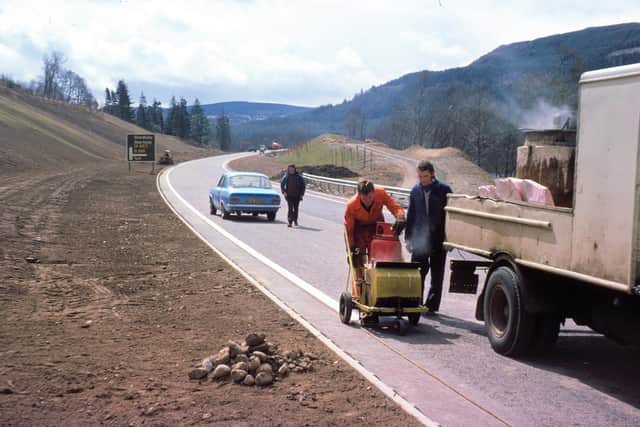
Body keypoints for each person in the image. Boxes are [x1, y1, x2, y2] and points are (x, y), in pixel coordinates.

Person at [405, 160, 452, 314]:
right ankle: (415, 303)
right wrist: (408, 238)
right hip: (419, 238)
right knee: (417, 273)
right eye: (420, 176)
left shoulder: (444, 190)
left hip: (438, 238)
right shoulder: (415, 190)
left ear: (432, 174)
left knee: (437, 275)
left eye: (425, 176)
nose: (422, 179)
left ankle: (431, 306)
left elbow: (450, 217)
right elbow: (411, 215)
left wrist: (449, 239)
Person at [344, 179, 406, 295]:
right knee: (357, 261)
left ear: (374, 193)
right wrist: (350, 250)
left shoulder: (381, 193)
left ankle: (381, 290)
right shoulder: (351, 206)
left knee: (381, 259)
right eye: (364, 198)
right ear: (359, 195)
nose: (368, 201)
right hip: (359, 230)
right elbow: (349, 230)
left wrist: (400, 217)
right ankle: (359, 293)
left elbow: (395, 207)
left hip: (376, 228)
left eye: (370, 197)